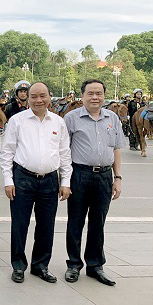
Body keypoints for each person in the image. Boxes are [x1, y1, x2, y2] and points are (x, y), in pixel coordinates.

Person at [1, 81, 72, 284]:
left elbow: (65, 154)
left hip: (50, 180)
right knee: (20, 224)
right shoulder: (17, 121)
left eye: (43, 96)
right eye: (34, 96)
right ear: (27, 98)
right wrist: (8, 180)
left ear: (50, 97)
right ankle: (18, 266)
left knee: (46, 226)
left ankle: (40, 265)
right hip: (22, 178)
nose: (38, 100)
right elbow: (7, 152)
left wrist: (65, 181)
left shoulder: (58, 122)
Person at [64, 79, 123, 286]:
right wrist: (64, 180)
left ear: (104, 96)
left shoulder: (112, 118)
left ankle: (95, 265)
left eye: (98, 93)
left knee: (98, 222)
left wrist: (118, 178)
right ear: (82, 96)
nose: (95, 97)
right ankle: (73, 264)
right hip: (79, 174)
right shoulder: (71, 118)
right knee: (76, 221)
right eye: (90, 93)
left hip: (105, 176)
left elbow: (116, 148)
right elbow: (63, 151)